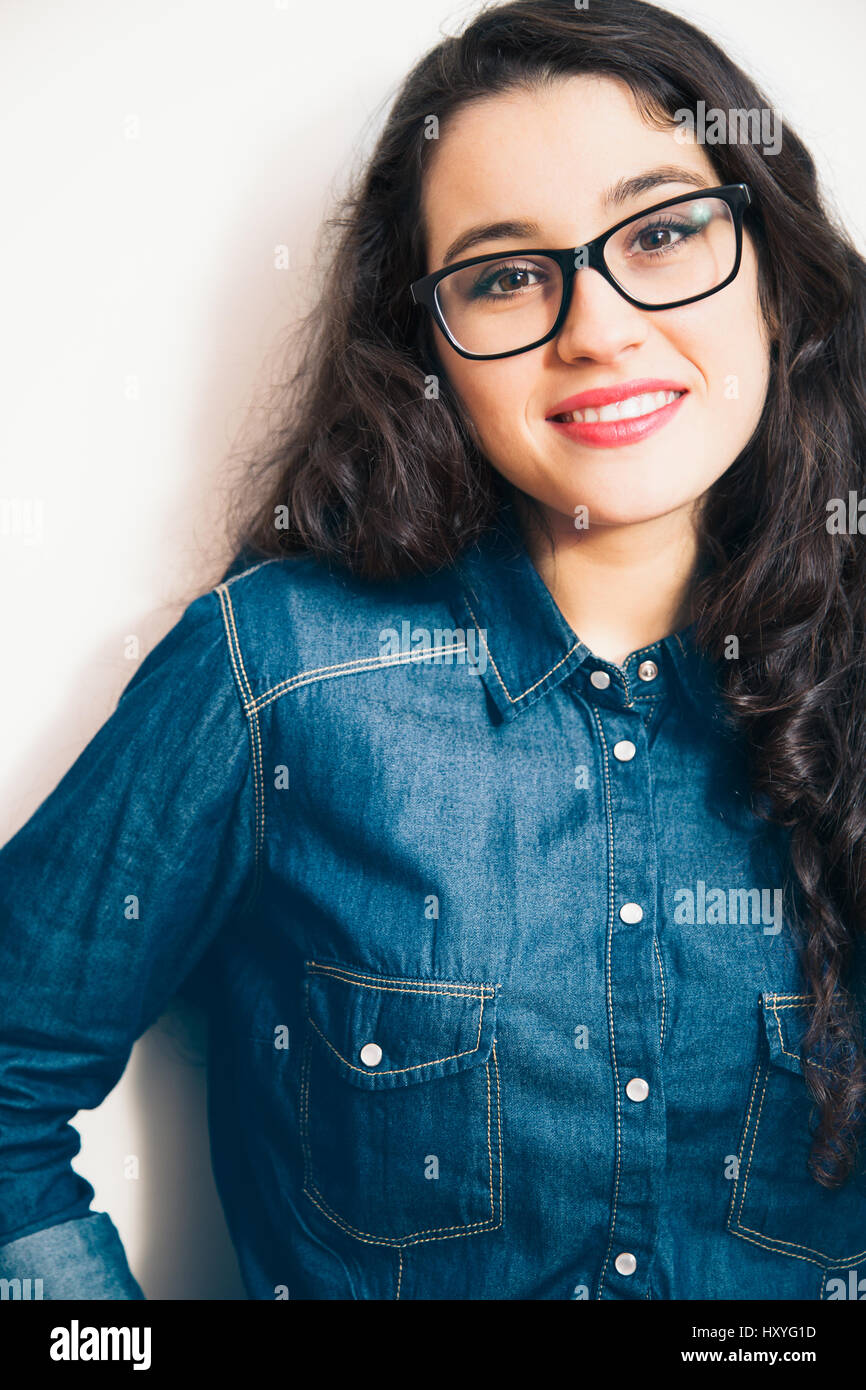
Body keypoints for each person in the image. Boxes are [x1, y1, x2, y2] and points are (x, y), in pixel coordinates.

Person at [1, 0, 865, 1302]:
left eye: (664, 228)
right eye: (506, 272)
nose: (598, 325)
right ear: (429, 348)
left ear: (769, 263)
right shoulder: (277, 675)